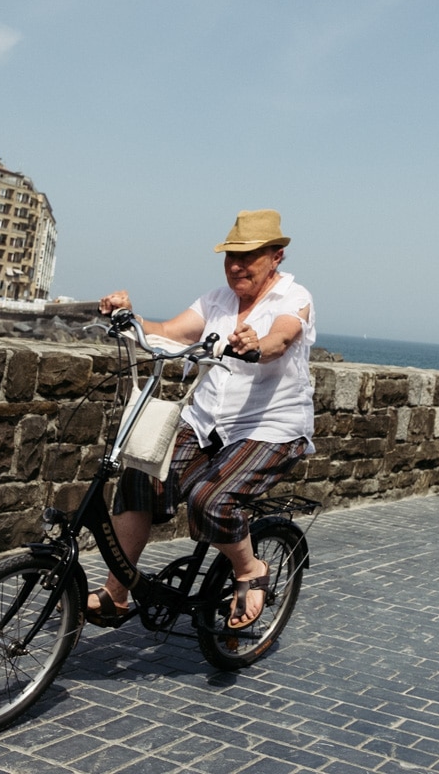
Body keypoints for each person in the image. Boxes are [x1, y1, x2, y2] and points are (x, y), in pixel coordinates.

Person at [92, 209, 315, 630]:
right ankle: (115, 594)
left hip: (271, 428)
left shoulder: (293, 297)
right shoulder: (216, 300)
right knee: (139, 476)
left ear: (276, 257)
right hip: (207, 422)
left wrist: (256, 344)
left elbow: (281, 338)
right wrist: (129, 318)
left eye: (249, 256)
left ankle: (251, 569)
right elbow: (170, 331)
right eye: (232, 255)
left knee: (210, 500)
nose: (237, 265)